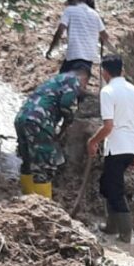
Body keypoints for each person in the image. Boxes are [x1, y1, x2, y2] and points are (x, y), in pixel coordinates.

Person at [86, 55, 134, 243]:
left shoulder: (107, 91)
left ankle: (125, 234)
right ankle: (111, 226)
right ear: (122, 70)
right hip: (130, 146)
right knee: (107, 184)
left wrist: (93, 141)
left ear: (105, 72)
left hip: (117, 147)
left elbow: (108, 126)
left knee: (115, 189)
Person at [15, 66, 86, 198]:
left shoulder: (55, 81)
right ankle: (42, 207)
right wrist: (69, 121)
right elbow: (66, 104)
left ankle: (26, 200)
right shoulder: (73, 80)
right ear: (84, 78)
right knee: (44, 166)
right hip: (38, 121)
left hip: (21, 118)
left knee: (28, 160)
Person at [45, 0, 111, 82]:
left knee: (61, 83)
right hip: (89, 57)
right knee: (80, 84)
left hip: (74, 54)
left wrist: (51, 49)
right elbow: (105, 36)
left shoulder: (70, 10)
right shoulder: (94, 14)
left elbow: (60, 30)